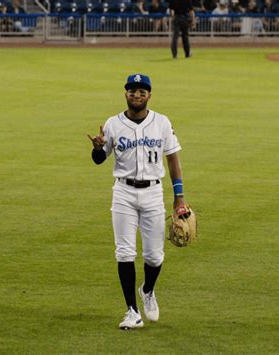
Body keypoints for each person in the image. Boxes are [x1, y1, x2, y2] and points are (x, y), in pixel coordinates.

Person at [87, 74, 188, 330]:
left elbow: (173, 159)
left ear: (149, 95)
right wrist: (98, 148)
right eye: (132, 91)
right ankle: (132, 311)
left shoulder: (162, 123)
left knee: (155, 257)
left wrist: (179, 197)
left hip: (153, 193)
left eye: (142, 91)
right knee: (124, 253)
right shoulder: (112, 124)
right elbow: (99, 159)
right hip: (123, 192)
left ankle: (148, 290)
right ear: (126, 94)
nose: (136, 95)